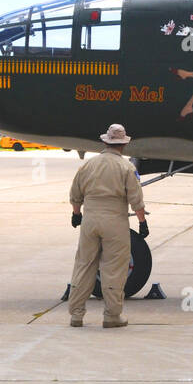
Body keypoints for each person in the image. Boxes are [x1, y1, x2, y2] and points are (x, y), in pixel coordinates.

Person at [67, 124, 147, 328]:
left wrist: (76, 214)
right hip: (115, 221)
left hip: (90, 219)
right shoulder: (127, 167)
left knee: (84, 264)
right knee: (113, 268)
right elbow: (136, 199)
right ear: (123, 145)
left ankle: (76, 314)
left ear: (105, 142)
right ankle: (111, 316)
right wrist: (142, 222)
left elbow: (76, 195)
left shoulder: (87, 166)